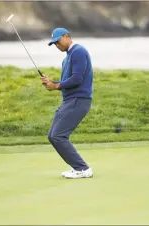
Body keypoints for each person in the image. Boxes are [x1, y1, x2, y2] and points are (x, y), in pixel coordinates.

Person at [41, 28, 93, 179]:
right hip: (70, 100)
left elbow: (77, 79)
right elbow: (67, 83)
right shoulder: (66, 58)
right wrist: (52, 84)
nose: (57, 45)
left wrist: (56, 85)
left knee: (58, 135)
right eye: (54, 43)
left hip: (79, 100)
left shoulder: (78, 51)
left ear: (67, 36)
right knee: (53, 135)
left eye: (58, 41)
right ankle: (78, 167)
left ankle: (82, 168)